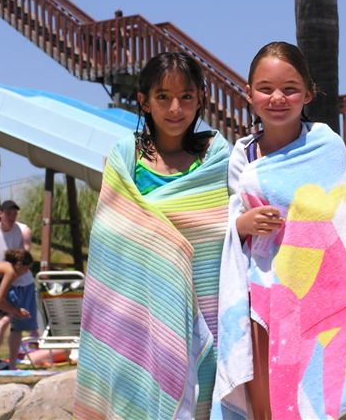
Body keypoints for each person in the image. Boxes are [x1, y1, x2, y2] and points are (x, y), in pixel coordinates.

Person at [213, 42, 346, 419]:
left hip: (312, 291)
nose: (277, 98)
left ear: (308, 93)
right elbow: (233, 218)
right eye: (265, 88)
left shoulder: (325, 146)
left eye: (289, 89)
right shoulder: (242, 154)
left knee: (303, 389)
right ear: (249, 93)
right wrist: (242, 225)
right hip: (258, 292)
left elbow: (338, 218)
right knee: (263, 397)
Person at [74, 52, 230, 419]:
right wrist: (166, 243)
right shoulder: (126, 157)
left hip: (208, 311)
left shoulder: (217, 157)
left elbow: (222, 223)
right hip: (137, 313)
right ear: (144, 101)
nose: (175, 108)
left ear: (200, 99)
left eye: (186, 96)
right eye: (163, 97)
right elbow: (111, 235)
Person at [0, 200, 38, 370]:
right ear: (0, 214)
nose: (12, 217)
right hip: (4, 282)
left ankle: (12, 365)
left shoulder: (23, 230)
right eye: (8, 213)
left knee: (18, 325)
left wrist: (15, 269)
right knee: (4, 318)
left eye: (14, 214)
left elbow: (25, 255)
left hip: (24, 284)